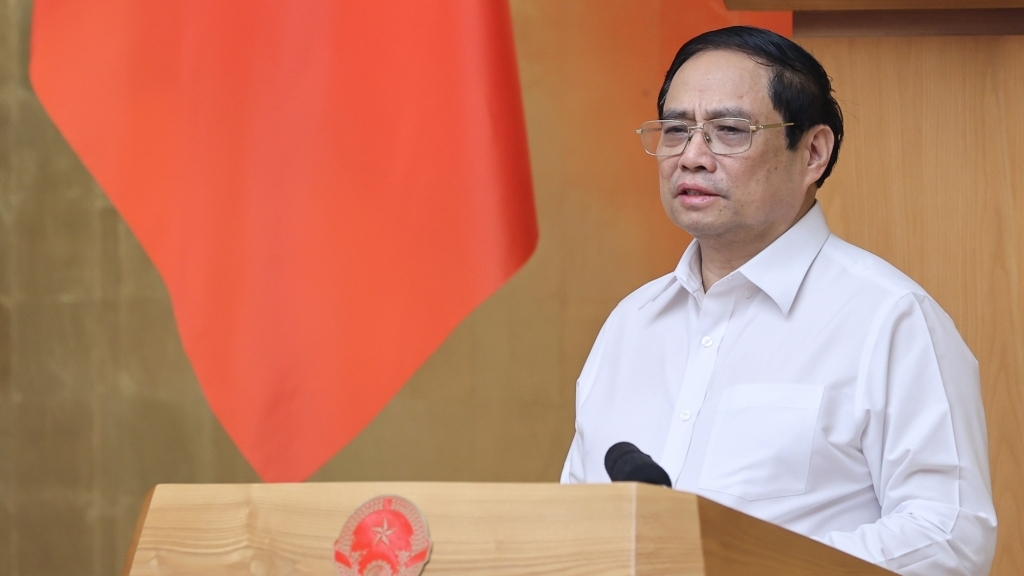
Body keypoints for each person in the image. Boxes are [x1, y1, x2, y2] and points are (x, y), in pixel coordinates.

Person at [560, 26, 997, 575]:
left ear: (813, 152)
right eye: (676, 130)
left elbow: (948, 538)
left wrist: (743, 567)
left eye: (729, 130)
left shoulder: (890, 318)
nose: (692, 156)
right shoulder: (631, 323)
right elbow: (576, 520)